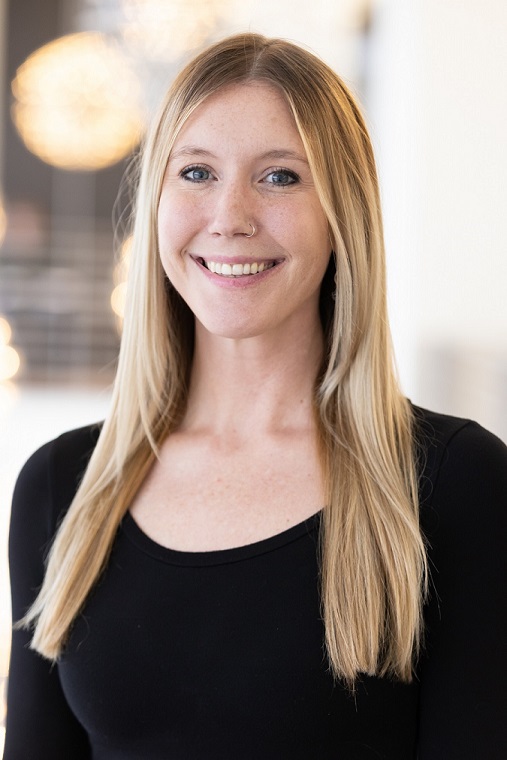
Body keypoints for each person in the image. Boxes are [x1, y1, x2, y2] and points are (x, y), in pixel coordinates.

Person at [4, 32, 506, 760]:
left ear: (343, 216)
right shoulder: (64, 487)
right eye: (197, 172)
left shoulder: (454, 484)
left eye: (279, 178)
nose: (230, 215)